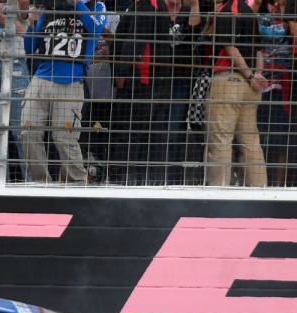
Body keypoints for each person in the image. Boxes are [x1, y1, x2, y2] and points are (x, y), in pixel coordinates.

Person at [114, 0, 201, 185]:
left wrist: (121, 71)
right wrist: (121, 71)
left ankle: (149, 182)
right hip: (143, 82)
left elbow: (129, 40)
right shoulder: (144, 5)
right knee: (139, 134)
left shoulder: (152, 6)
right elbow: (126, 39)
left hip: (158, 83)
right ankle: (130, 180)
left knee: (153, 135)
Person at [22, 0, 106, 183]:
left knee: (63, 138)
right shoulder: (51, 7)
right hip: (41, 78)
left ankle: (77, 184)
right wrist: (32, 22)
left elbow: (95, 29)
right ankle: (40, 184)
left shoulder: (96, 6)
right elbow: (29, 48)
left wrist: (75, 3)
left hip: (71, 81)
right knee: (28, 133)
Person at [205, 0, 268, 187]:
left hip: (229, 81)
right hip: (250, 86)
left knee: (221, 141)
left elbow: (231, 49)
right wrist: (257, 75)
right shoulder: (248, 11)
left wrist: (250, 76)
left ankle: (217, 196)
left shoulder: (227, 10)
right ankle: (260, 193)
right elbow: (258, 51)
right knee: (251, 141)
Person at [0, 0, 32, 180]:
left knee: (21, 132)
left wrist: (2, 14)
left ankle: (29, 186)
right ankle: (0, 183)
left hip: (15, 64)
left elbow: (25, 28)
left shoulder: (19, 3)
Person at [256, 0, 291, 186]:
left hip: (282, 90)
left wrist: (289, 15)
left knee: (279, 142)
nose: (276, 4)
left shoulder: (292, 24)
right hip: (258, 87)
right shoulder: (259, 20)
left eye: (281, 2)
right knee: (254, 139)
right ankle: (252, 184)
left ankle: (279, 186)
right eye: (271, 1)